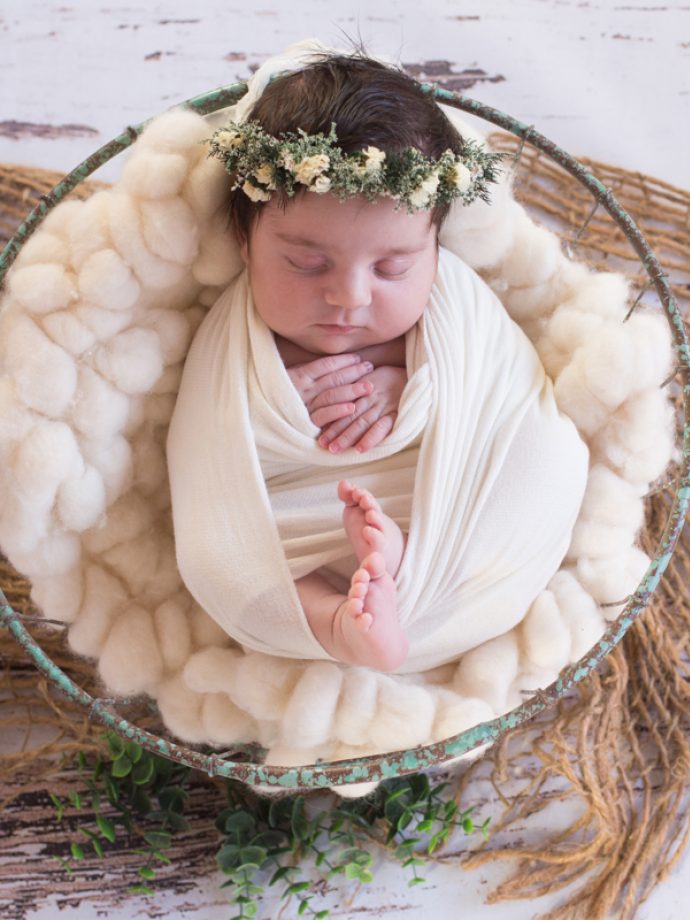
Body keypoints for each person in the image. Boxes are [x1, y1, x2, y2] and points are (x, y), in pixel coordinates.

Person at [167, 50, 589, 674]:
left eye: (392, 267)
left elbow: (500, 390)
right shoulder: (236, 335)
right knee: (216, 561)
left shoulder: (452, 304)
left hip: (456, 516)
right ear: (243, 242)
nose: (350, 296)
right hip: (298, 527)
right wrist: (274, 408)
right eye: (306, 264)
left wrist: (415, 384)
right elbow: (206, 447)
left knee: (545, 457)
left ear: (435, 246)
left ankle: (403, 563)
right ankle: (337, 620)